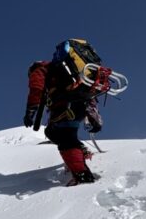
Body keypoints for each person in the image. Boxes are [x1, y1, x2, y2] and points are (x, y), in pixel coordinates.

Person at [25, 52, 104, 186]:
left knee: (65, 139)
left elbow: (36, 88)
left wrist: (30, 110)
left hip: (66, 106)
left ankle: (82, 176)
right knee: (52, 132)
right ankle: (80, 150)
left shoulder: (39, 69)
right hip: (78, 105)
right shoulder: (64, 71)